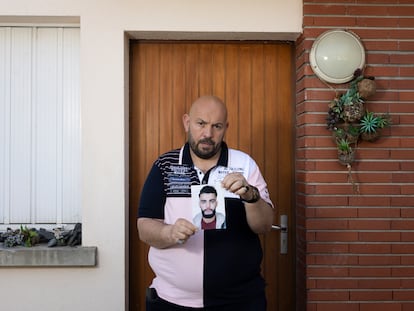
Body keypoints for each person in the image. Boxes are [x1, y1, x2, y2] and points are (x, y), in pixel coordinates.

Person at [137, 95, 274, 311]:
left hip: (239, 301)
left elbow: (264, 226)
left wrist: (251, 195)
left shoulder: (244, 164)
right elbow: (144, 228)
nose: (208, 134)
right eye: (201, 123)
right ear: (187, 122)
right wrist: (169, 233)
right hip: (171, 301)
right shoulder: (165, 165)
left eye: (216, 126)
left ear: (225, 128)